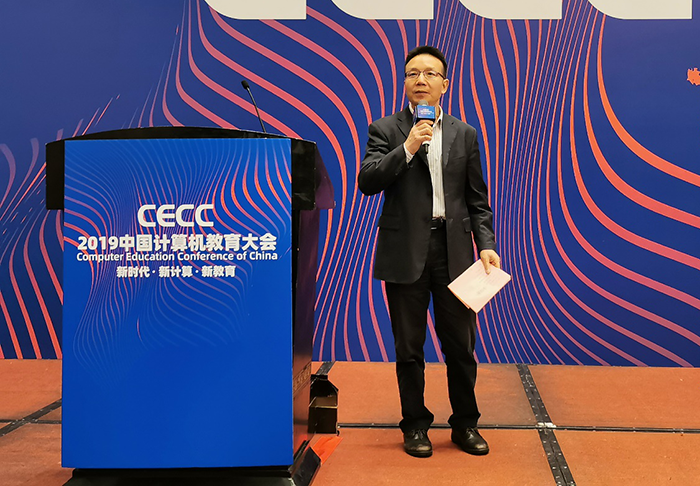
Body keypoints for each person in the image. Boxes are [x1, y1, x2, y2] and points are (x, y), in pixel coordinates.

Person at [357, 45, 500, 458]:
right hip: (405, 251)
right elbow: (368, 181)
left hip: (454, 252)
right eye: (412, 74)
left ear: (444, 85)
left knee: (461, 347)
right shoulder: (386, 129)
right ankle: (415, 426)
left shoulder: (464, 133)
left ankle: (465, 424)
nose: (420, 80)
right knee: (409, 348)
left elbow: (477, 199)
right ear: (404, 83)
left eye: (429, 74)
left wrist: (486, 245)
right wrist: (407, 148)